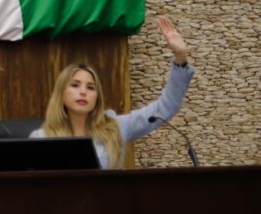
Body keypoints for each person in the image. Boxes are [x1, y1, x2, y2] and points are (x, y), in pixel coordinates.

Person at [30, 17, 194, 168]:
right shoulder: (41, 138)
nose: (83, 92)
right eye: (75, 85)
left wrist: (180, 56)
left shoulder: (115, 127)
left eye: (90, 87)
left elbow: (165, 108)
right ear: (61, 93)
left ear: (97, 97)